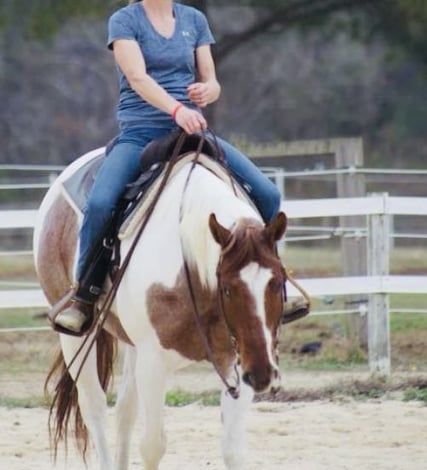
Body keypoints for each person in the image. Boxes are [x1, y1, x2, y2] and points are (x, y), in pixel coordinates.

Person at [51, 0, 309, 334]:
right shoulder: (124, 21)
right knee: (101, 203)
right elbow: (137, 78)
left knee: (268, 194)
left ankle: (276, 283)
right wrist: (177, 110)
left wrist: (208, 91)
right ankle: (84, 295)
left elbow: (212, 82)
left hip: (192, 130)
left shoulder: (194, 20)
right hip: (140, 134)